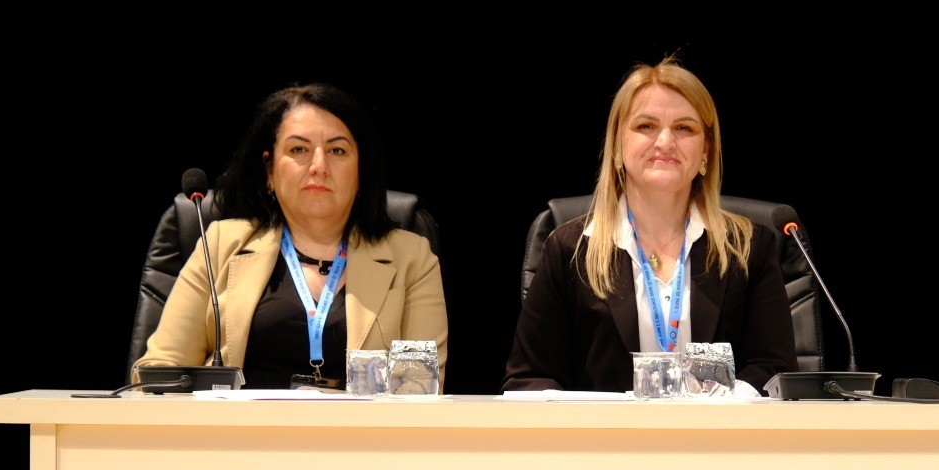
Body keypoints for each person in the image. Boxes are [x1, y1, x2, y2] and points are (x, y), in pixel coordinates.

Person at [501, 56, 797, 395]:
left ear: (706, 150)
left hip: (719, 429)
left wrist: (724, 404)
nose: (665, 142)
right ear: (617, 145)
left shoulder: (748, 248)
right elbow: (529, 378)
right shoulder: (570, 250)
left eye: (684, 128)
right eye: (646, 126)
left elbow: (773, 369)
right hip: (605, 430)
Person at [135, 84, 447, 390]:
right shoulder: (219, 245)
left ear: (360, 171)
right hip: (240, 425)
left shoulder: (411, 258)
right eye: (299, 149)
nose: (319, 166)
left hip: (360, 426)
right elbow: (160, 373)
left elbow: (418, 387)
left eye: (337, 150)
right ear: (269, 171)